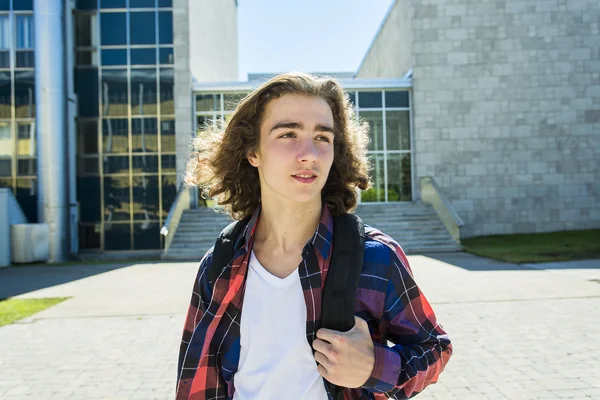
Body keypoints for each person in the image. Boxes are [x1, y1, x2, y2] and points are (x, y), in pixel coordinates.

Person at [176, 72, 452, 400]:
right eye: (288, 134)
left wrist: (374, 367)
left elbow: (434, 349)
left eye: (322, 137)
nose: (309, 153)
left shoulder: (375, 256)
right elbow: (195, 376)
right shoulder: (220, 262)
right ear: (253, 153)